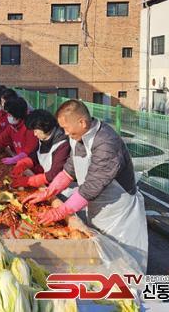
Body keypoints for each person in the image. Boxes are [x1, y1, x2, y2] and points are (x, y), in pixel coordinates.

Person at [23, 100, 148, 272]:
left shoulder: (106, 143)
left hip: (118, 211)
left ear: (82, 122)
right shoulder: (78, 137)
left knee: (124, 260)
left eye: (66, 128)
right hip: (96, 204)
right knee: (100, 253)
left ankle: (134, 285)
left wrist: (60, 211)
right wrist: (49, 192)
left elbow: (92, 185)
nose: (65, 133)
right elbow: (69, 170)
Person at [10, 109, 70, 188]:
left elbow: (54, 174)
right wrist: (23, 164)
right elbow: (36, 154)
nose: (34, 134)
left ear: (44, 127)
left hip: (66, 189)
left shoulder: (63, 144)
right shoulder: (44, 137)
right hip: (50, 184)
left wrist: (29, 181)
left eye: (35, 130)